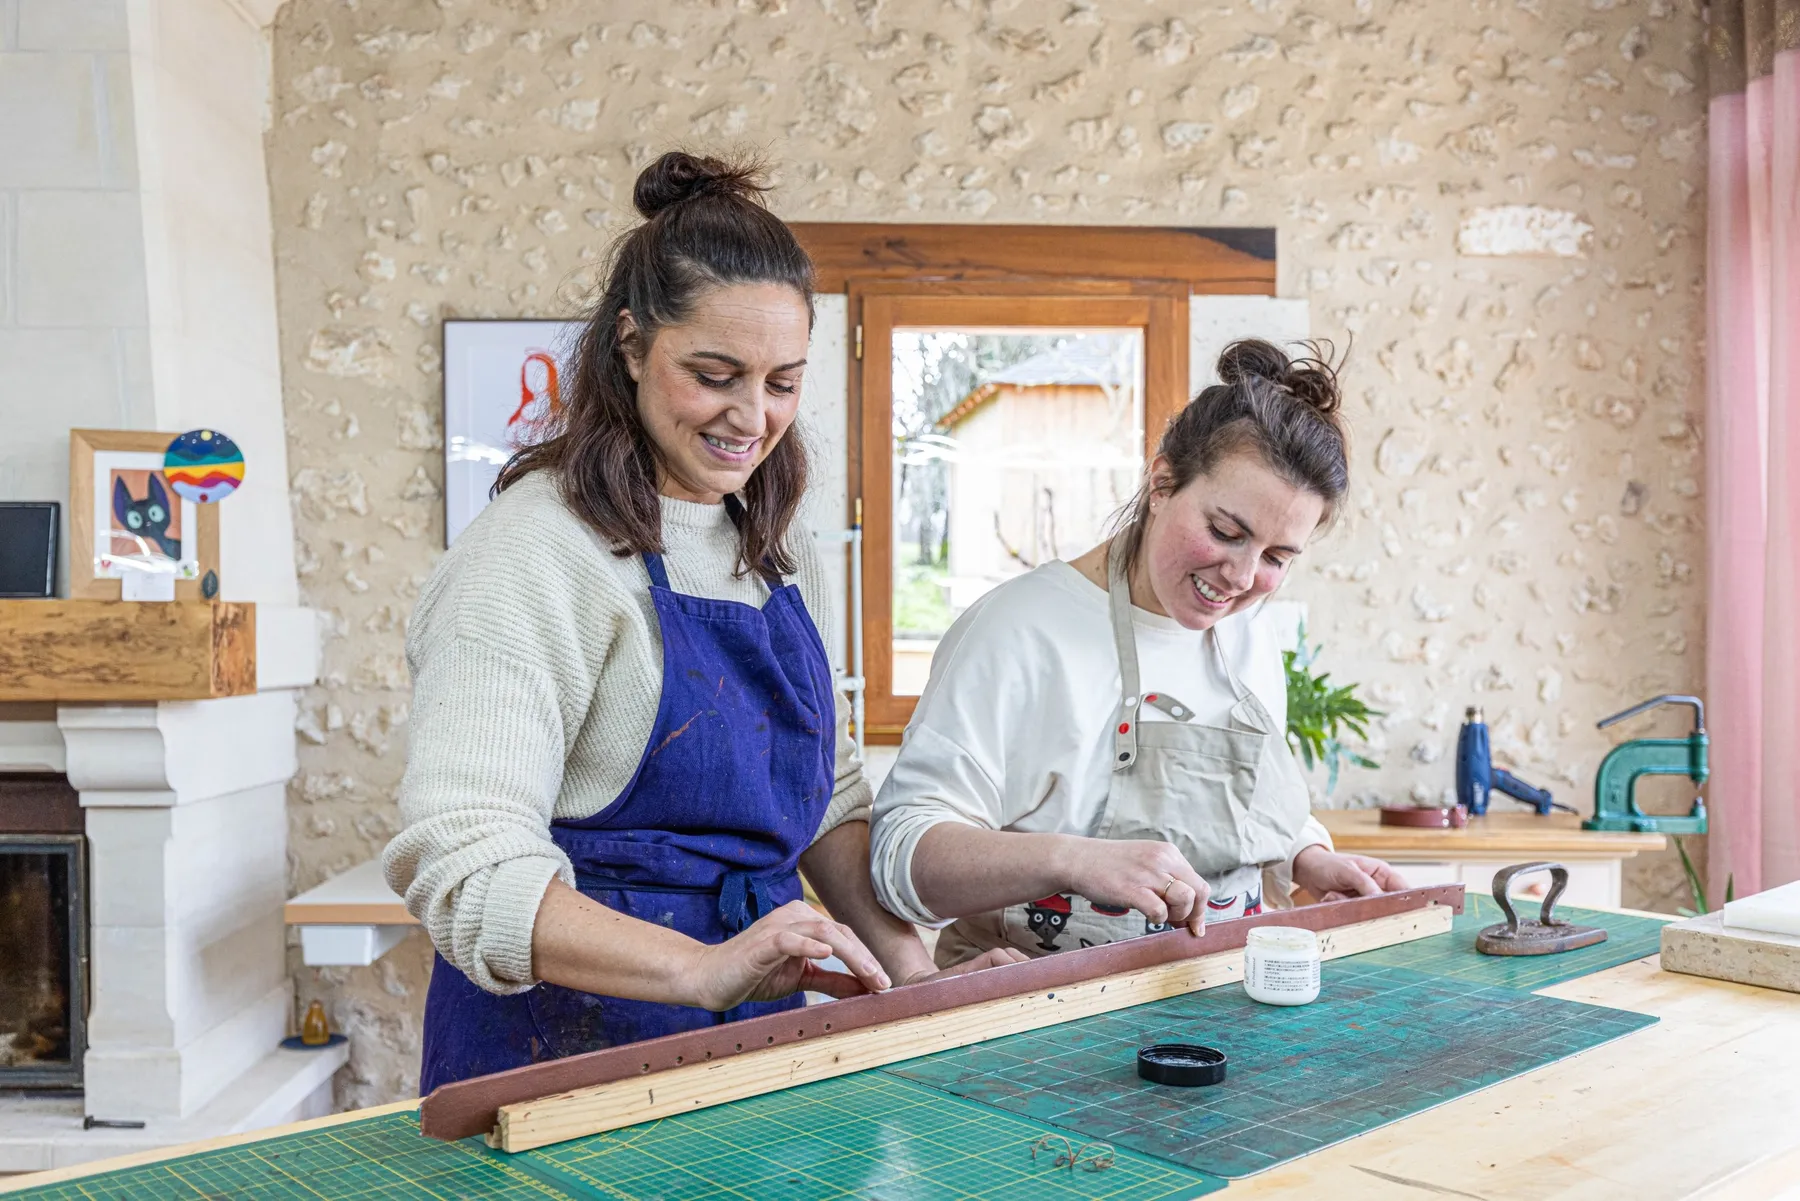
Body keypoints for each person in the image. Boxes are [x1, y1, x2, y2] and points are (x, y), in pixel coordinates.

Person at [384, 151, 1019, 1092]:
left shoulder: (769, 545)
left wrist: (914, 980)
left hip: (750, 1039)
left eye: (783, 382)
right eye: (714, 374)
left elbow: (827, 804)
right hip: (561, 1053)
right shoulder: (534, 552)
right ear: (633, 347)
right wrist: (698, 969)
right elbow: (464, 863)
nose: (752, 417)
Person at [868, 340, 1408, 963]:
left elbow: (1252, 809)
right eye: (1225, 532)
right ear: (1161, 483)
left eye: (1277, 557)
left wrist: (1306, 857)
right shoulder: (1019, 630)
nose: (1240, 575)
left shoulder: (1249, 635)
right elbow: (900, 859)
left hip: (1219, 993)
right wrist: (1071, 860)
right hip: (1040, 1014)